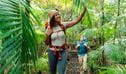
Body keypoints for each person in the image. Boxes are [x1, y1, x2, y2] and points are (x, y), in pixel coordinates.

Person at [44, 2, 87, 74]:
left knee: (61, 72)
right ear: (52, 18)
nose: (58, 16)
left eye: (58, 14)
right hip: (52, 52)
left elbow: (76, 21)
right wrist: (48, 35)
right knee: (52, 72)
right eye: (56, 15)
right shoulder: (48, 28)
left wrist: (84, 11)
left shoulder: (63, 25)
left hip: (62, 51)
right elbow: (46, 43)